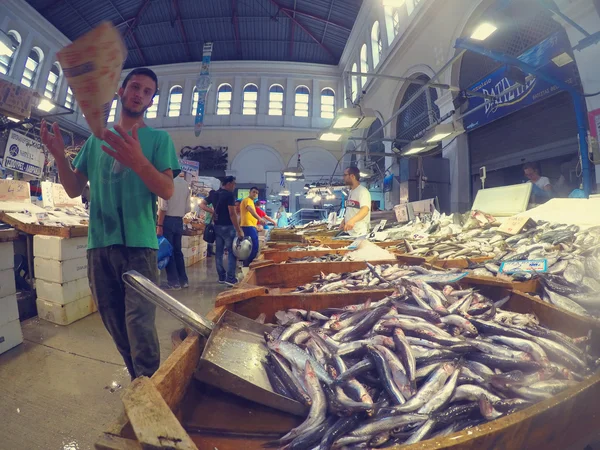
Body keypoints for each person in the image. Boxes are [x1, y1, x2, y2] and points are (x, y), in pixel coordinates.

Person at [40, 67, 180, 380]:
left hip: (140, 247)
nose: (139, 94)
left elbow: (166, 190)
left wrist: (139, 162)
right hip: (99, 245)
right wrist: (60, 156)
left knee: (139, 324)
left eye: (147, 92)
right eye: (135, 87)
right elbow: (75, 189)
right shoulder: (95, 140)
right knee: (115, 323)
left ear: (151, 101)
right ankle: (139, 381)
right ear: (120, 90)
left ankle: (152, 390)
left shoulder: (158, 139)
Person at [157, 171, 191, 290]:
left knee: (168, 251)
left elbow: (163, 207)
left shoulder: (165, 182)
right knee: (178, 251)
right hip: (179, 221)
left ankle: (173, 282)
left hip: (167, 221)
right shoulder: (184, 184)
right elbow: (188, 208)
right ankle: (184, 281)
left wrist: (159, 225)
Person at [213, 177, 244, 285]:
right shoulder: (229, 195)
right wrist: (238, 229)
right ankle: (230, 278)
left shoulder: (215, 194)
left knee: (219, 252)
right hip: (228, 227)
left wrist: (212, 212)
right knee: (232, 252)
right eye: (234, 184)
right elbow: (232, 213)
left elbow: (201, 204)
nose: (234, 186)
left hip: (217, 226)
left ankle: (221, 276)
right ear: (229, 184)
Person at [340, 166, 371, 237]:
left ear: (352, 176)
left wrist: (352, 221)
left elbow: (364, 210)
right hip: (351, 232)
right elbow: (352, 210)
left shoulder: (363, 191)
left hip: (360, 233)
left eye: (345, 175)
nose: (343, 178)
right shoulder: (351, 192)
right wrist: (344, 221)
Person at [240, 187, 265, 267]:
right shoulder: (248, 200)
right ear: (249, 192)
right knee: (254, 246)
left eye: (257, 193)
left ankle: (247, 264)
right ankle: (248, 265)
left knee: (251, 246)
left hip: (250, 226)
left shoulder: (251, 201)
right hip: (248, 226)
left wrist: (256, 226)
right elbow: (250, 209)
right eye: (253, 192)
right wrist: (259, 219)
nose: (255, 194)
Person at [199, 189, 216, 257]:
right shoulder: (211, 203)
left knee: (208, 236)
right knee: (210, 236)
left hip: (208, 221)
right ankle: (209, 251)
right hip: (210, 222)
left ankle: (209, 251)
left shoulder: (208, 203)